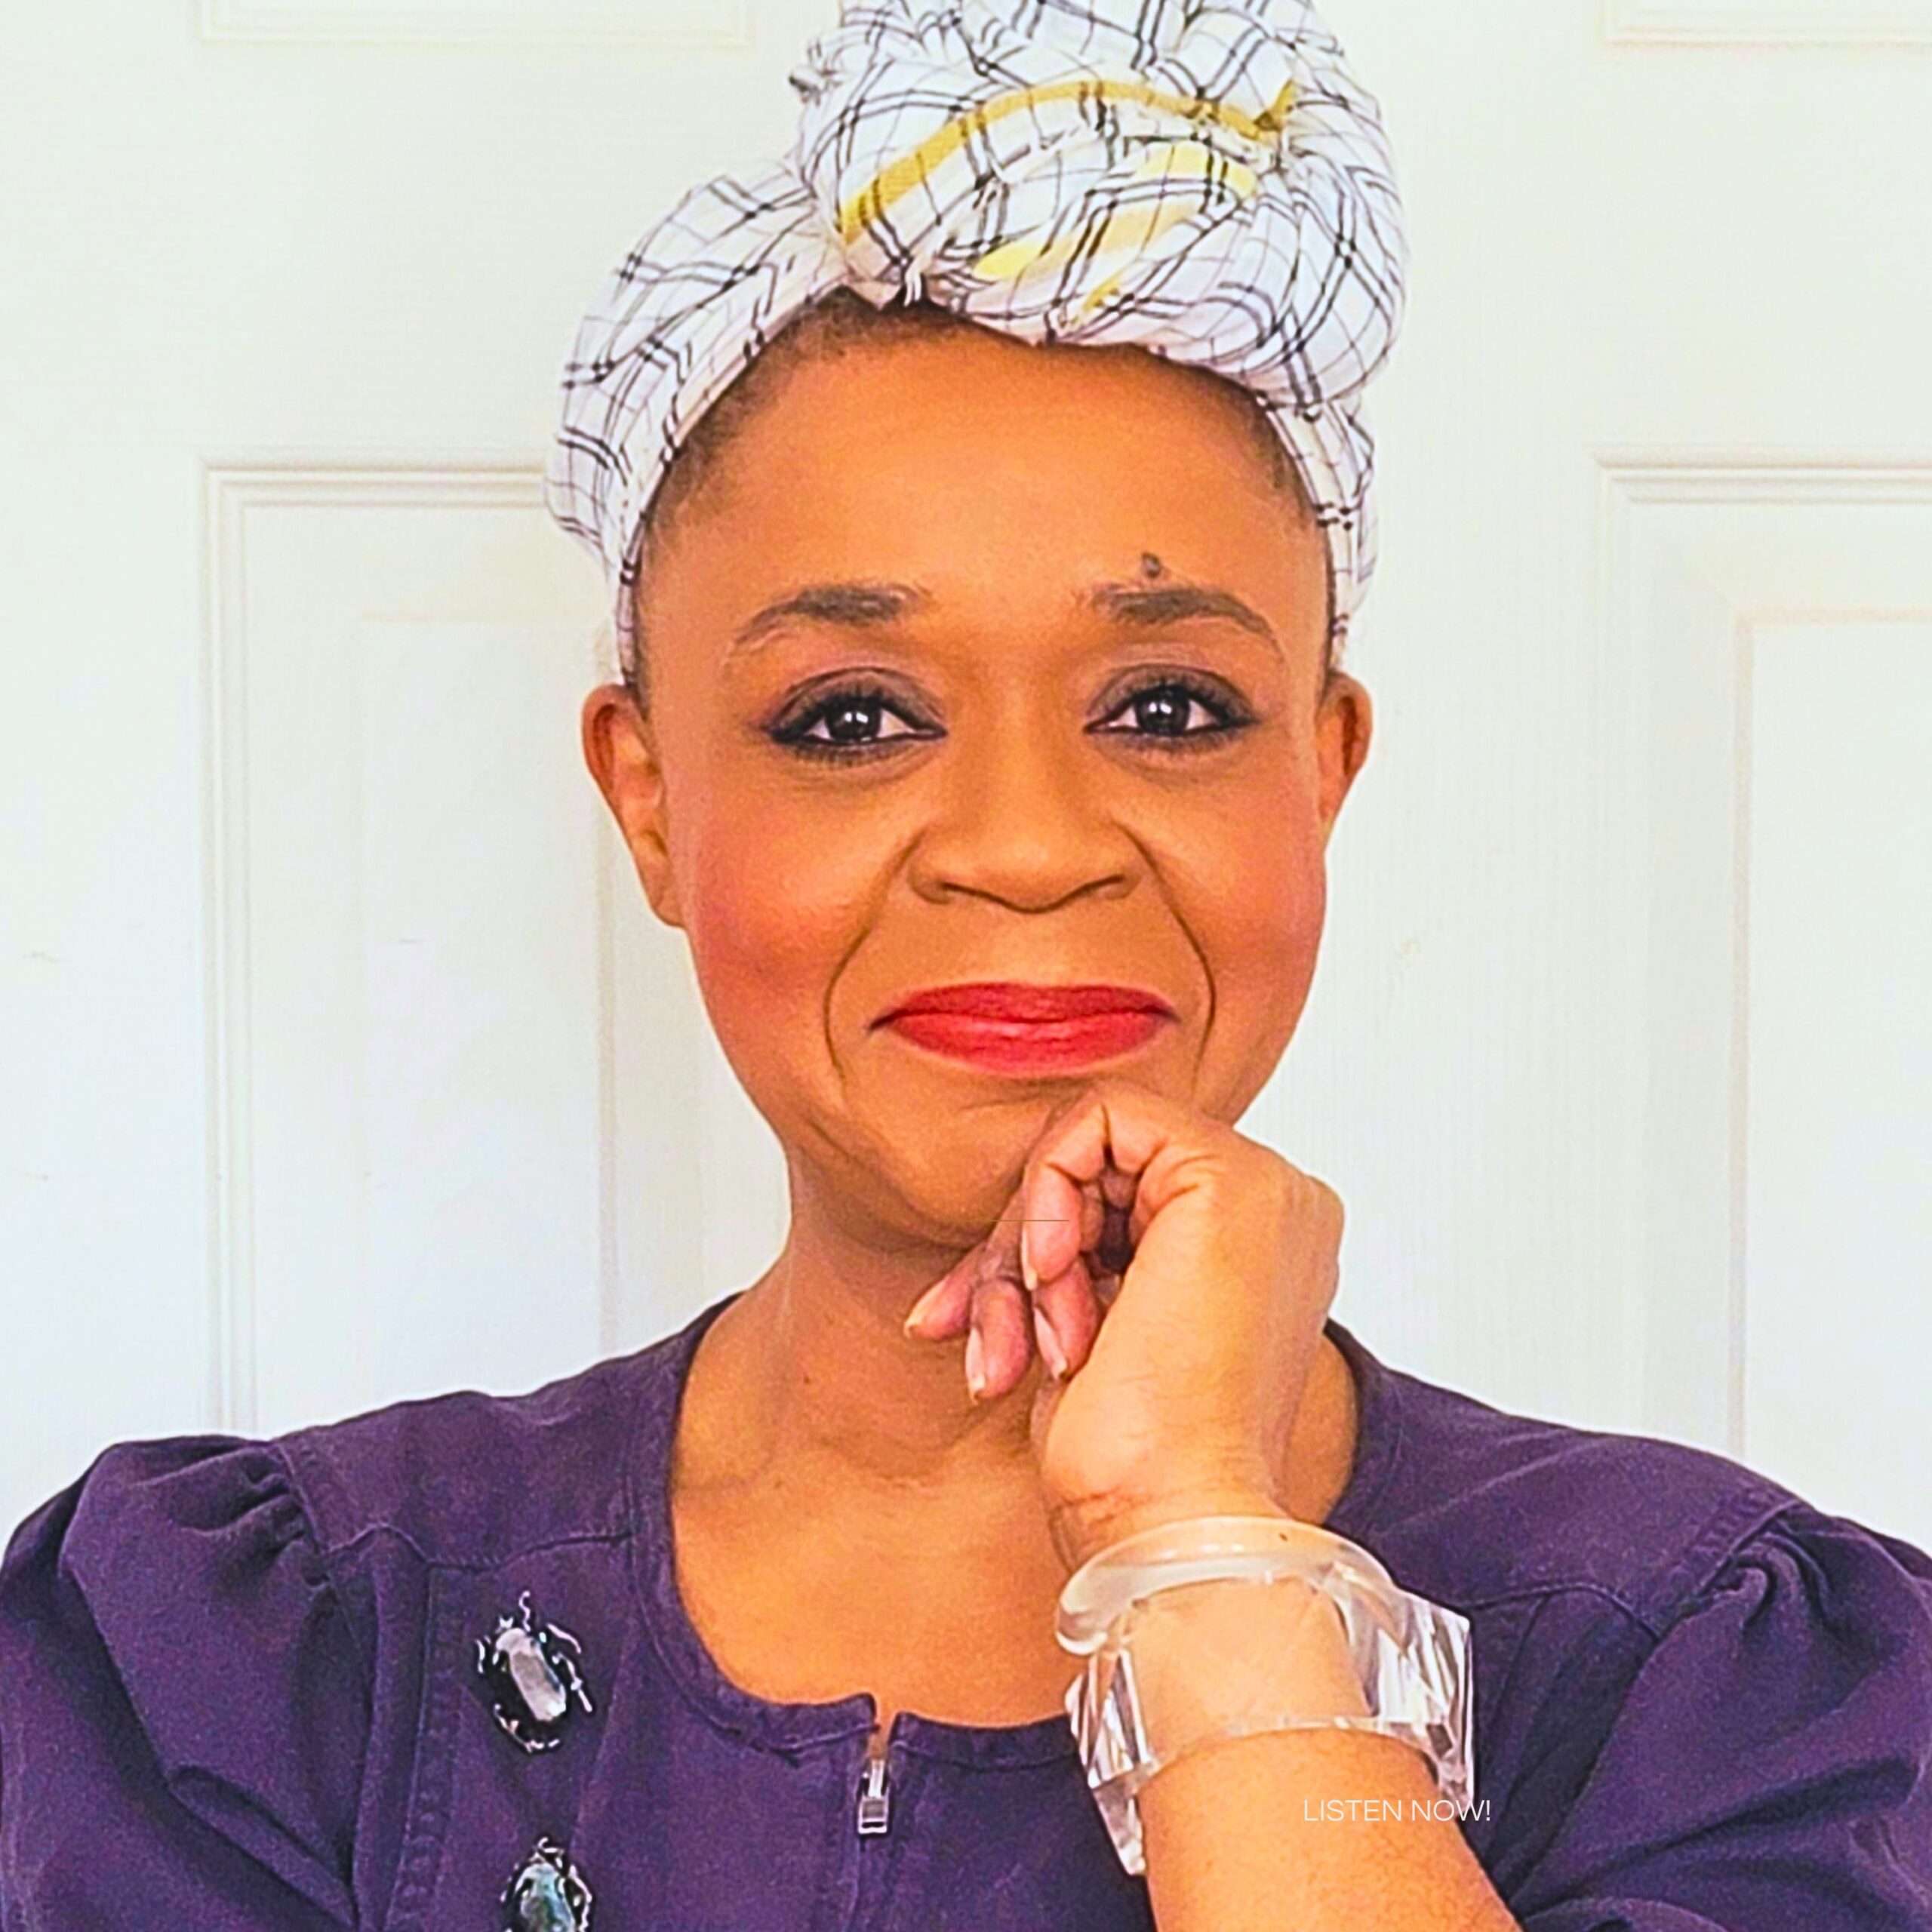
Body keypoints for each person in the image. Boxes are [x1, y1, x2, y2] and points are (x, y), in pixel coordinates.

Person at [5, 3, 1930, 1928]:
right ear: (651, 799)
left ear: (1320, 769)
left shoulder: (1719, 1674)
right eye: (851, 717)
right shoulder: (254, 1661)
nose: (1026, 843)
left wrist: (1193, 1538)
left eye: (1167, 703)